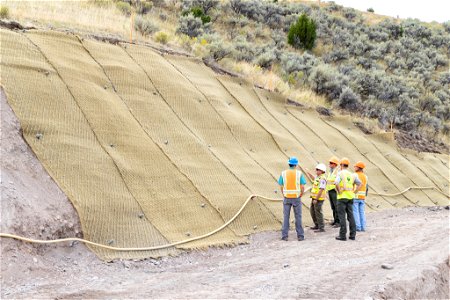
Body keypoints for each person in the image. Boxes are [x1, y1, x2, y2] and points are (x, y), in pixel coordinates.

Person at [278, 156, 307, 241]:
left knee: (286, 217)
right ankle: (300, 236)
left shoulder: (283, 173)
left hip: (287, 197)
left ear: (289, 164)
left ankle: (284, 236)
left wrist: (284, 193)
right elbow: (302, 186)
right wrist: (301, 194)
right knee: (298, 217)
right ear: (296, 165)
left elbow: (281, 185)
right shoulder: (299, 173)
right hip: (296, 197)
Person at [334, 158, 361, 241]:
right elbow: (360, 184)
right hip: (350, 197)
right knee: (351, 216)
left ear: (341, 165)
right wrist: (354, 192)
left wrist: (339, 191)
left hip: (342, 198)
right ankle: (352, 235)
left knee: (342, 216)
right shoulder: (352, 174)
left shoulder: (340, 173)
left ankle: (342, 235)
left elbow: (336, 183)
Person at [309, 163, 327, 232]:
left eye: (317, 170)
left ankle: (321, 227)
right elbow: (314, 179)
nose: (316, 171)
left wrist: (316, 199)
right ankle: (317, 225)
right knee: (313, 211)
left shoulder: (323, 178)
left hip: (318, 199)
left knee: (318, 212)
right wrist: (309, 173)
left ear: (322, 171)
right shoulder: (318, 177)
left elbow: (321, 189)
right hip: (314, 198)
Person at [353, 161, 369, 232]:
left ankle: (358, 227)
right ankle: (363, 227)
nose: (354, 167)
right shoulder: (366, 176)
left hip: (355, 196)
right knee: (362, 212)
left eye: (355, 166)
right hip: (362, 197)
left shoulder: (354, 175)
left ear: (359, 168)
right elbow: (366, 187)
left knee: (355, 212)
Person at [326, 156, 340, 227]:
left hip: (335, 191)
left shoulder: (337, 171)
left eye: (331, 163)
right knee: (333, 206)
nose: (330, 164)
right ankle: (335, 220)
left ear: (335, 164)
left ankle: (338, 222)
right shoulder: (330, 172)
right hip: (330, 190)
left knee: (336, 206)